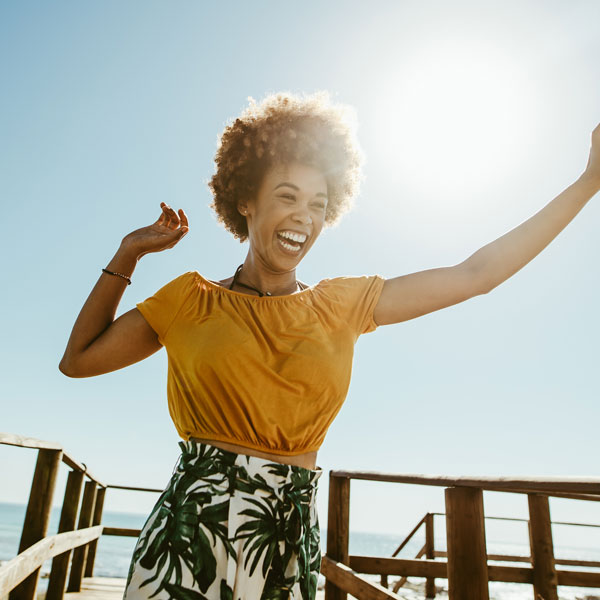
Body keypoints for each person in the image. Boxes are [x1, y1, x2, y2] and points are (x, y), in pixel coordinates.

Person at [59, 90, 600, 600]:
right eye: (287, 196)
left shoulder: (342, 304)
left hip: (284, 540)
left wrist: (587, 183)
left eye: (318, 204)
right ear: (245, 199)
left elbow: (477, 273)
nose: (304, 216)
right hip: (185, 538)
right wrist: (128, 254)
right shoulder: (189, 300)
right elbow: (79, 360)